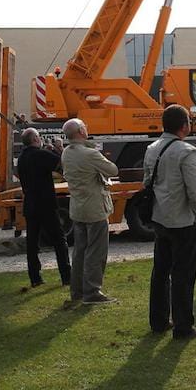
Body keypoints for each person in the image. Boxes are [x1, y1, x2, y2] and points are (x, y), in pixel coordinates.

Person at [143, 104, 196, 340]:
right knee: (183, 274)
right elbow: (194, 186)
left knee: (160, 271)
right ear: (184, 126)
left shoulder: (151, 148)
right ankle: (183, 326)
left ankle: (159, 320)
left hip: (160, 216)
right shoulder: (187, 151)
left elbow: (146, 181)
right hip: (182, 218)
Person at [61, 118, 121, 305]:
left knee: (80, 251)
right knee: (96, 252)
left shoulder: (66, 153)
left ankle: (77, 290)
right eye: (85, 126)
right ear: (80, 131)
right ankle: (92, 291)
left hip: (78, 208)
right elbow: (113, 170)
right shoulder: (89, 153)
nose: (87, 128)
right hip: (95, 208)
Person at [14, 127, 72, 290]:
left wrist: (48, 150)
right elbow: (61, 164)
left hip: (30, 204)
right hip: (46, 203)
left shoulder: (22, 158)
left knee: (33, 244)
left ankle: (35, 278)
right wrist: (58, 147)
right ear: (35, 140)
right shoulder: (41, 154)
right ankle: (66, 276)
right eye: (38, 137)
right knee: (59, 241)